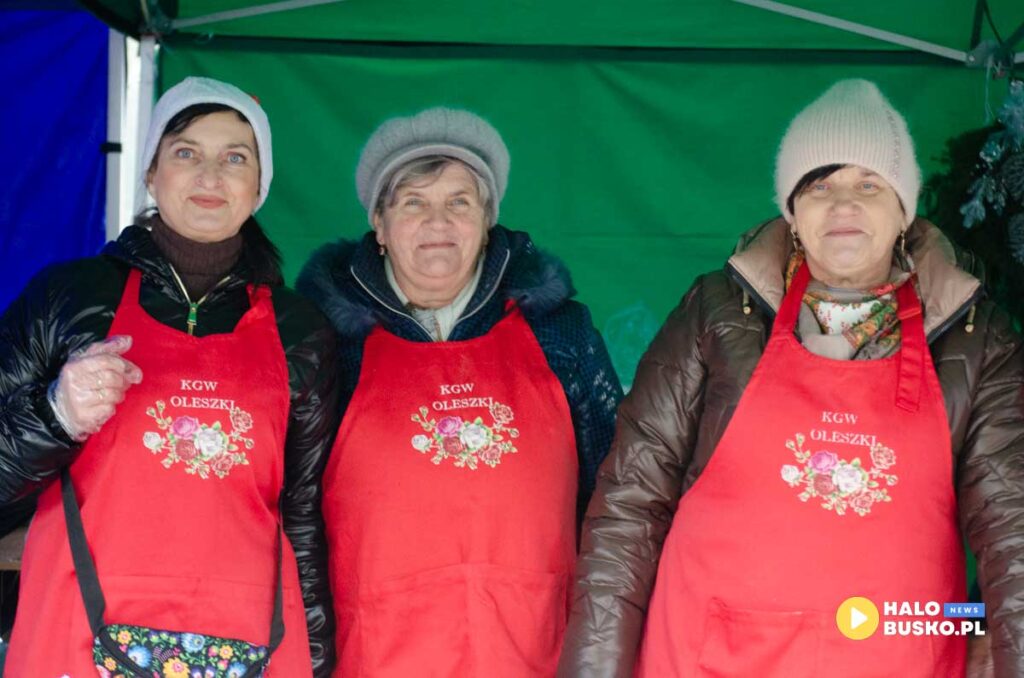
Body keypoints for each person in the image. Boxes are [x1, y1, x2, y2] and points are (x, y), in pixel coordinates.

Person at [558, 79, 1024, 677]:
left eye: (869, 184)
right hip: (707, 656)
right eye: (820, 185)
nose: (844, 205)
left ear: (903, 211)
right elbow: (629, 505)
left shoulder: (976, 336)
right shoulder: (717, 311)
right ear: (793, 214)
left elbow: (1012, 534)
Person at [0, 77, 337, 677]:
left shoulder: (299, 329)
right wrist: (55, 415)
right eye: (186, 152)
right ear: (152, 174)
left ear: (259, 186)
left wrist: (315, 656)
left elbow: (304, 510)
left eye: (235, 158)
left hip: (251, 642)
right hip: (77, 632)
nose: (210, 176)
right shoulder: (69, 298)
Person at [297, 106, 623, 677]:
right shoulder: (327, 342)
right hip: (376, 653)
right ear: (379, 225)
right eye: (413, 203)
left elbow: (616, 500)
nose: (438, 222)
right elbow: (294, 513)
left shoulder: (561, 334)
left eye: (459, 202)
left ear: (487, 219)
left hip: (535, 649)